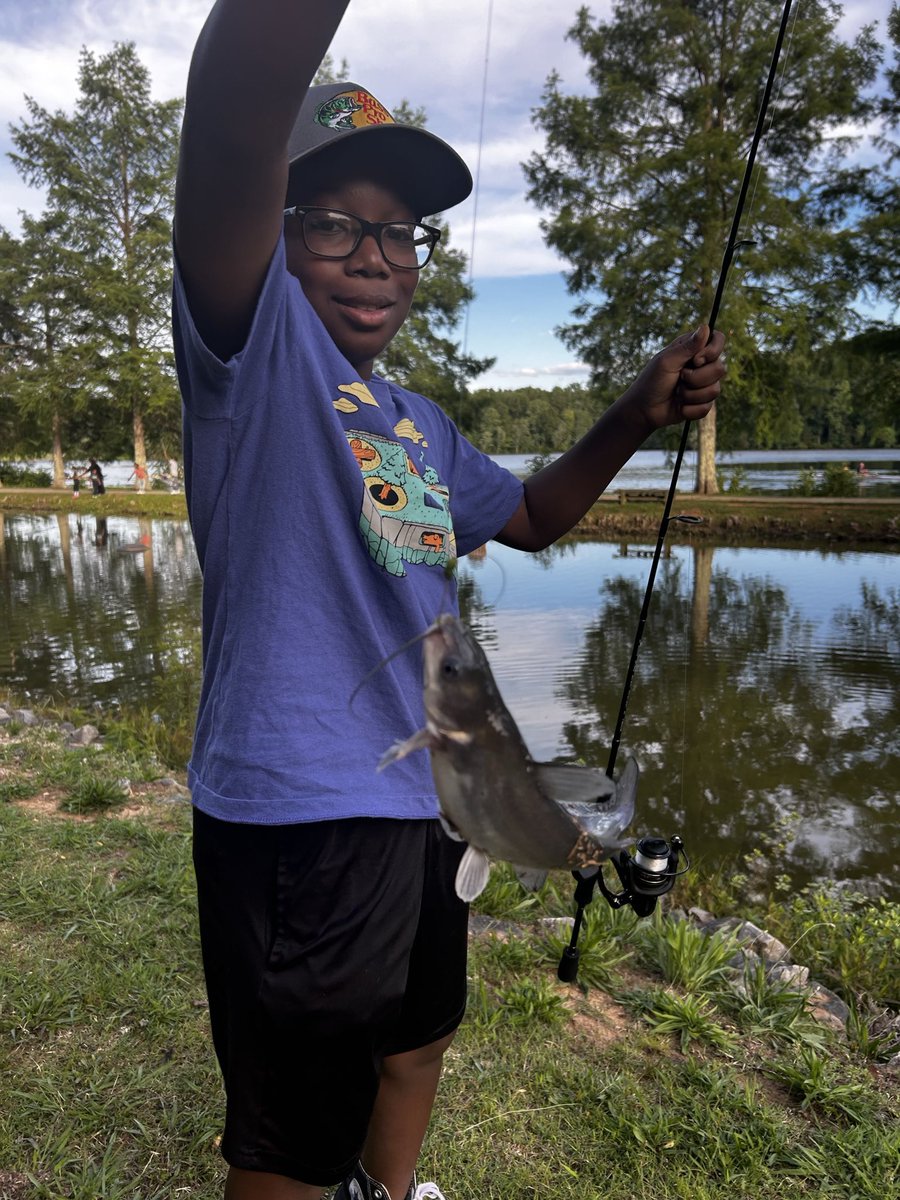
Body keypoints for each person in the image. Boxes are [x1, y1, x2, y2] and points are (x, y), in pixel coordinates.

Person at [173, 4, 725, 1200]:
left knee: (420, 1033)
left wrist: (634, 411)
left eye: (402, 234)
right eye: (334, 226)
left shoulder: (418, 422)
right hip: (302, 818)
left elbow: (529, 520)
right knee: (290, 1132)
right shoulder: (250, 349)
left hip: (431, 795)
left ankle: (392, 1189)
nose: (376, 257)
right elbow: (232, 114)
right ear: (273, 235)